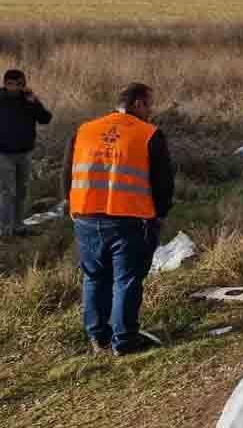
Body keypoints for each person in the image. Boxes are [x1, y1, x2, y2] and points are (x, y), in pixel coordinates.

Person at [64, 82, 174, 356]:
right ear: (138, 104)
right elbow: (163, 183)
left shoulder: (84, 131)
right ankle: (124, 342)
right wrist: (159, 215)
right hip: (131, 220)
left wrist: (74, 207)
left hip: (86, 217)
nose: (151, 111)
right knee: (126, 281)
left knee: (94, 278)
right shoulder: (149, 135)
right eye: (149, 105)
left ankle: (99, 338)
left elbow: (67, 175)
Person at [1, 69, 52, 237]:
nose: (15, 88)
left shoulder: (28, 100)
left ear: (24, 84)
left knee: (21, 191)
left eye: (19, 84)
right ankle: (4, 229)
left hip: (24, 153)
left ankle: (18, 226)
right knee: (8, 191)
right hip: (3, 154)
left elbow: (45, 119)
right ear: (5, 84)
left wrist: (34, 102)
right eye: (11, 84)